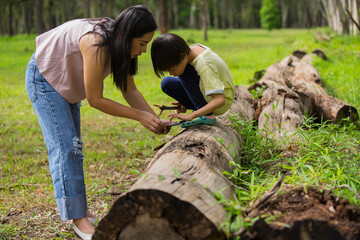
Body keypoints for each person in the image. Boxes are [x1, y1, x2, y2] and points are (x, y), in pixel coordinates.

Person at [25, 5, 169, 240]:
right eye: (142, 43)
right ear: (128, 35)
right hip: (45, 78)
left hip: (67, 85)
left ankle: (80, 211)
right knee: (67, 148)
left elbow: (129, 89)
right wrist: (139, 117)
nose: (144, 51)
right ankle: (79, 221)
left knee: (75, 148)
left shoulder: (122, 48)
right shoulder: (96, 43)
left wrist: (152, 117)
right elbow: (95, 99)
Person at [151, 33, 235, 128]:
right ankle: (200, 108)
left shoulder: (204, 65)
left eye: (172, 69)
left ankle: (207, 116)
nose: (171, 73)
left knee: (185, 72)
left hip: (221, 100)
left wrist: (192, 116)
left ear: (182, 56)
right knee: (167, 83)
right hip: (208, 94)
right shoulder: (190, 51)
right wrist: (185, 100)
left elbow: (220, 100)